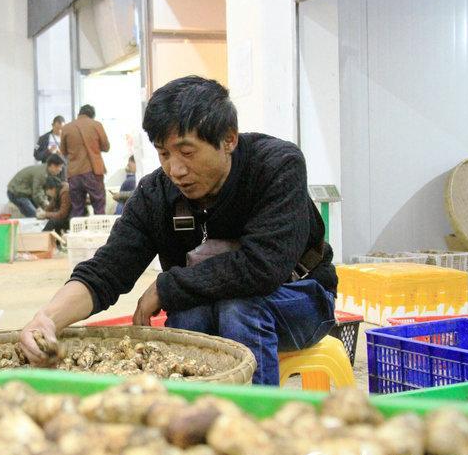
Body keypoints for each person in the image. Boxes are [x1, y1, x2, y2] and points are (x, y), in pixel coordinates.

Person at [19, 76, 337, 385]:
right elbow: (108, 270)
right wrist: (48, 318)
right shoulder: (156, 194)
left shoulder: (275, 166)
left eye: (186, 152)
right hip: (215, 304)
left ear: (228, 139)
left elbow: (263, 266)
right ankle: (193, 417)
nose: (176, 169)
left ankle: (253, 420)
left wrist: (166, 286)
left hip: (301, 299)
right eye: (163, 153)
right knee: (188, 316)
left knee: (239, 307)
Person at [60, 105, 109, 217]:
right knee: (99, 206)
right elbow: (106, 147)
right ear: (92, 115)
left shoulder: (66, 128)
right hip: (93, 172)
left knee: (77, 208)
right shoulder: (96, 125)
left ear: (79, 113)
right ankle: (100, 233)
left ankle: (77, 233)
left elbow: (63, 151)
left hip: (74, 174)